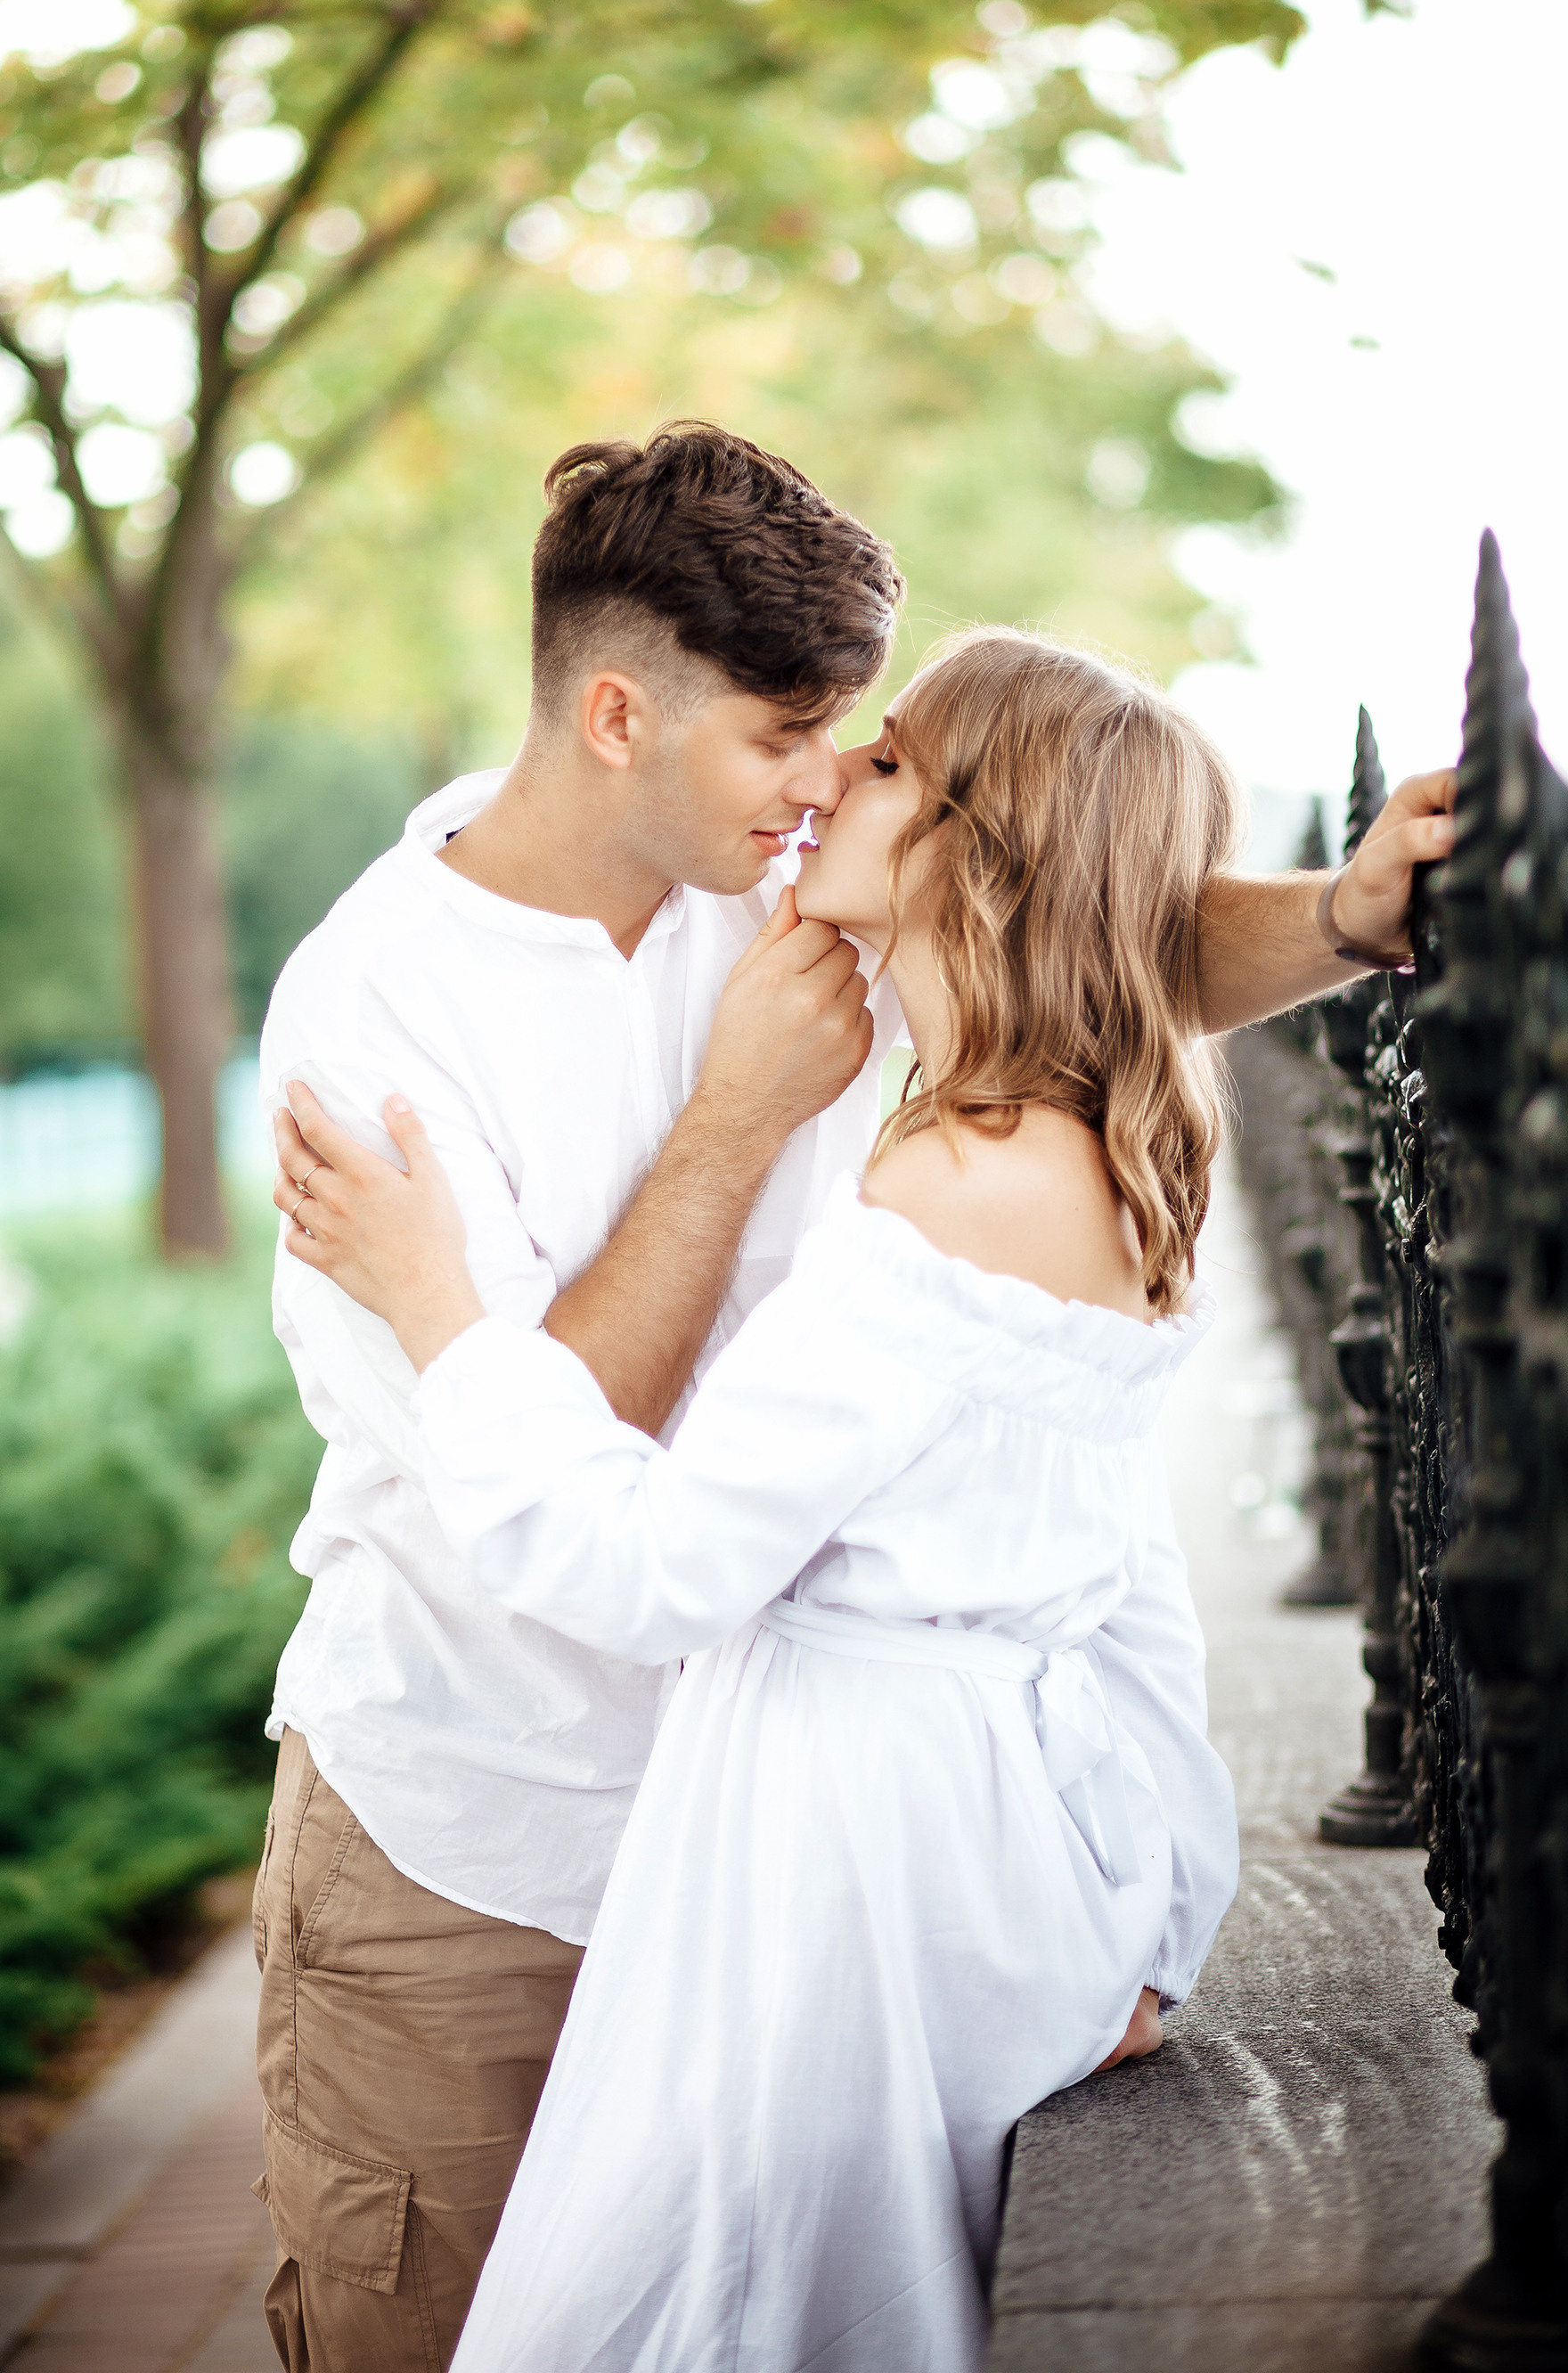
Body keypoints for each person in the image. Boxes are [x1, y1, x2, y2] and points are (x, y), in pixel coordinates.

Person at [254, 423, 1454, 2371]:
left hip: (787, 1864)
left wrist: (1342, 915)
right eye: (792, 736)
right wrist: (733, 1126)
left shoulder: (783, 866)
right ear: (620, 713)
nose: (825, 782)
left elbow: (1093, 924)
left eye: (858, 740)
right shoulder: (375, 1023)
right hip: (483, 1844)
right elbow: (575, 1488)